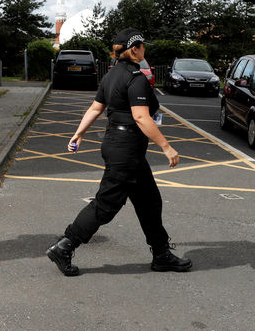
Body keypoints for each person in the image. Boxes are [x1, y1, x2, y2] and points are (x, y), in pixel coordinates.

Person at [46, 28, 191, 276]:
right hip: (126, 151)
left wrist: (78, 133)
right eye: (143, 46)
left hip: (120, 145)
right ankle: (65, 245)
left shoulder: (112, 76)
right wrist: (166, 147)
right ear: (135, 49)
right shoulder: (136, 78)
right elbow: (141, 117)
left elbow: (95, 108)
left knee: (150, 201)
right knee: (106, 205)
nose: (145, 50)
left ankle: (161, 254)